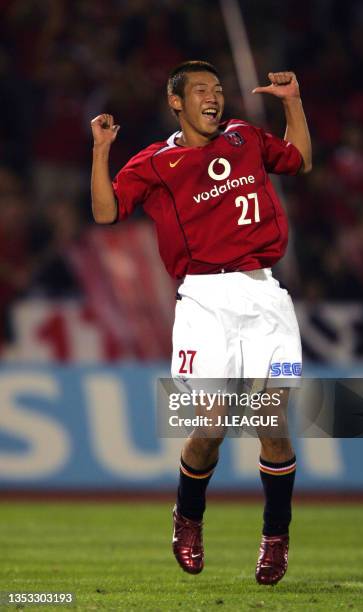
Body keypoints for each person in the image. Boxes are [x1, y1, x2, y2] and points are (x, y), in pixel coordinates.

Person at [90, 60, 312, 586]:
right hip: (205, 301)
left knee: (271, 426)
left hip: (264, 295)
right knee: (210, 426)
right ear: (177, 102)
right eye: (201, 90)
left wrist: (292, 102)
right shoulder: (155, 162)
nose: (214, 97)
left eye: (217, 89)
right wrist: (101, 150)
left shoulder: (246, 137)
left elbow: (299, 160)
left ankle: (275, 537)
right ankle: (188, 517)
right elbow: (104, 213)